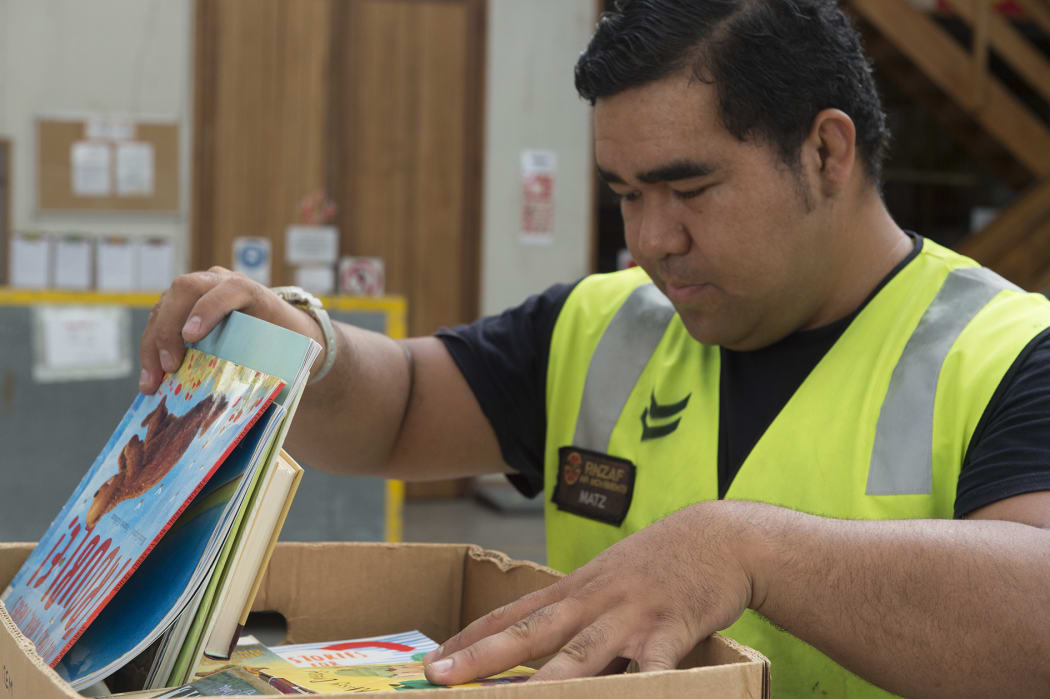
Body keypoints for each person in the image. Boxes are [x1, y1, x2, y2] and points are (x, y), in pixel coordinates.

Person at [140, 1, 1050, 695]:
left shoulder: (1004, 353)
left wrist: (747, 550)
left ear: (824, 152)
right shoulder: (602, 324)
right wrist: (305, 345)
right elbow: (405, 407)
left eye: (688, 188)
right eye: (624, 193)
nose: (652, 239)